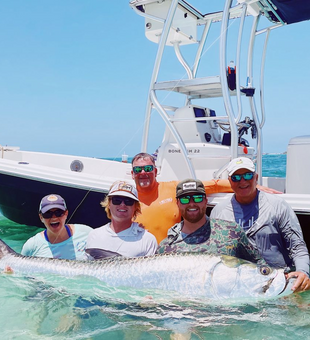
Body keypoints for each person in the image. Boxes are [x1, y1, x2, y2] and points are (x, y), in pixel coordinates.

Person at [210, 157, 310, 292]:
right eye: (236, 177)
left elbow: (297, 246)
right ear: (230, 181)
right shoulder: (219, 212)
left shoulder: (278, 205)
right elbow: (214, 255)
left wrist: (303, 272)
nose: (243, 181)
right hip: (238, 287)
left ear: (256, 177)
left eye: (248, 175)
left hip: (278, 282)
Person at [132, 152, 280, 243]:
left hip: (172, 256)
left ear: (156, 171)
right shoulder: (125, 199)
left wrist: (254, 186)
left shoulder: (173, 188)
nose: (143, 172)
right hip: (141, 260)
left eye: (148, 168)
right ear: (132, 174)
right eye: (138, 169)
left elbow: (213, 185)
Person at [156, 178, 263, 264]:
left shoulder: (231, 232)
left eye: (198, 198)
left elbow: (258, 264)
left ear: (206, 201)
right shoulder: (165, 248)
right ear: (178, 203)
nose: (192, 203)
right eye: (185, 199)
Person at [86, 180, 158, 258]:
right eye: (117, 200)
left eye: (128, 201)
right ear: (109, 204)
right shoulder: (94, 235)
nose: (122, 205)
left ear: (135, 207)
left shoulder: (148, 240)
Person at [21, 194, 92, 260]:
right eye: (48, 214)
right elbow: (20, 272)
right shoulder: (31, 246)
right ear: (41, 217)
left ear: (66, 213)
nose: (54, 218)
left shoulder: (87, 233)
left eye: (59, 213)